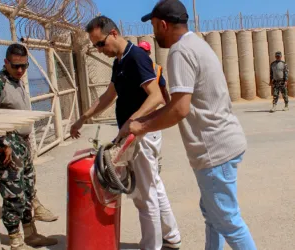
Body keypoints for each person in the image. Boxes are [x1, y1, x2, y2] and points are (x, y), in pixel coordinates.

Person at [118, 0, 258, 249]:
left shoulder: (180, 51)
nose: (153, 32)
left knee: (228, 221)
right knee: (213, 216)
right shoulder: (196, 44)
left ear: (163, 24)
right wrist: (140, 121)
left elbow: (179, 110)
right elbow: (177, 106)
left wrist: (141, 126)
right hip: (223, 145)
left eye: (153, 26)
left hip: (215, 151)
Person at [70, 16, 181, 250]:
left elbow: (156, 96)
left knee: (144, 194)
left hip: (142, 133)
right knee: (154, 185)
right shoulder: (120, 61)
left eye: (100, 44)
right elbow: (109, 96)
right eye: (95, 46)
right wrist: (83, 118)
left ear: (113, 34)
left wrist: (131, 122)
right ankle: (171, 236)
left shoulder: (136, 57)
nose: (99, 50)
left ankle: (152, 246)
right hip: (136, 132)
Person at [0, 43, 58, 250]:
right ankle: (15, 240)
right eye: (15, 66)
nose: (20, 70)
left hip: (22, 144)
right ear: (6, 63)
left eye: (24, 66)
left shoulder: (17, 81)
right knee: (14, 194)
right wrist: (3, 142)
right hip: (8, 147)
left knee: (28, 190)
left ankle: (31, 235)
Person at [138, 40, 170, 174]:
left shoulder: (156, 68)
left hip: (150, 112)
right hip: (139, 111)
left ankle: (155, 165)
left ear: (149, 53)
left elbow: (163, 88)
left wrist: (168, 106)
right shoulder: (135, 66)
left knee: (152, 143)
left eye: (144, 52)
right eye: (140, 51)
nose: (142, 54)